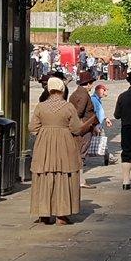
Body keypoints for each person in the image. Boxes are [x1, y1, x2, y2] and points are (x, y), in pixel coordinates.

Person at [29, 77, 83, 225]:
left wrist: (45, 132)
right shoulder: (68, 107)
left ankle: (44, 213)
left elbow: (32, 127)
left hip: (44, 144)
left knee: (44, 174)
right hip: (64, 143)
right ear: (62, 89)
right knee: (63, 175)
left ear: (48, 89)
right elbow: (77, 128)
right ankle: (62, 215)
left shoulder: (40, 106)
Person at [69, 71, 99, 189]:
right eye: (91, 83)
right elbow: (79, 112)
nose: (92, 86)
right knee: (81, 153)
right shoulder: (84, 95)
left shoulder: (75, 93)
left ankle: (78, 179)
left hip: (80, 127)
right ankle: (80, 180)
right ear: (88, 84)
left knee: (79, 153)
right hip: (84, 128)